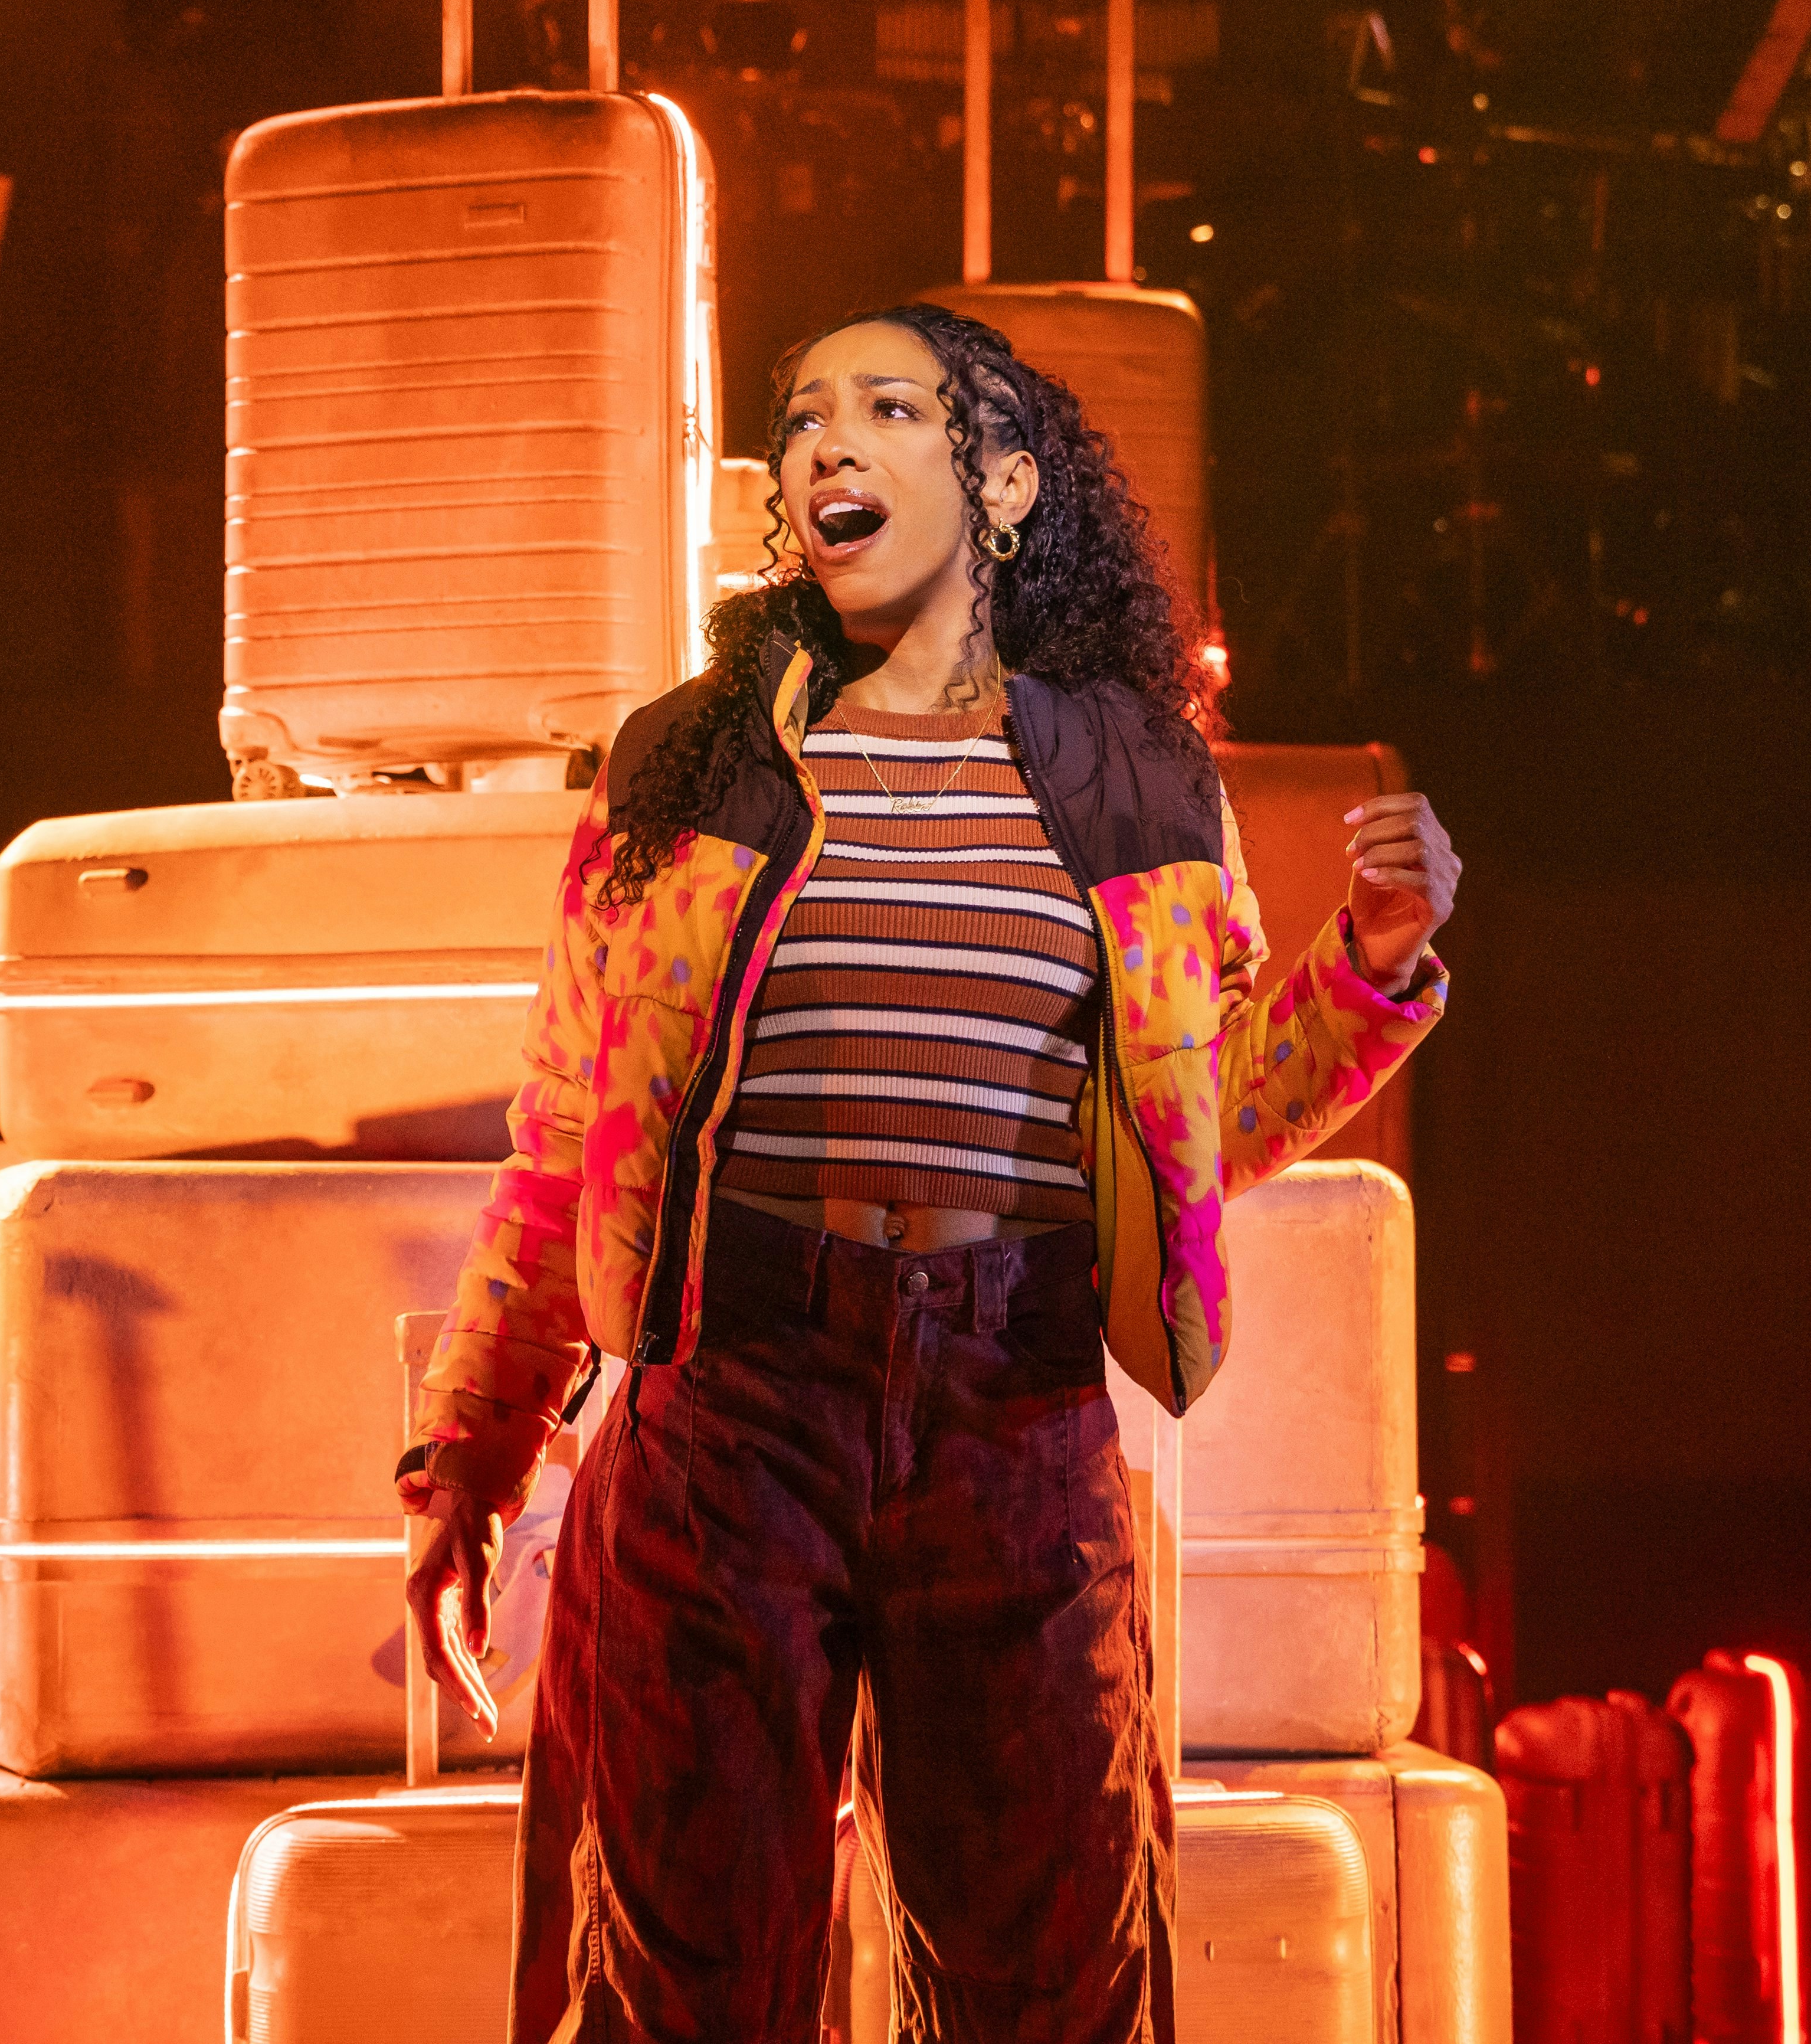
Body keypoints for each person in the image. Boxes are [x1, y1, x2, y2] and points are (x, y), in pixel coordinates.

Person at [400, 301, 1462, 2040]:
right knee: (684, 1993)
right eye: (806, 413)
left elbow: (1205, 1119)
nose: (830, 442)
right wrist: (474, 1433)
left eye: (890, 409)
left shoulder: (1135, 776)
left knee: (1048, 1990)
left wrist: (1374, 960)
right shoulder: (682, 759)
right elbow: (567, 1125)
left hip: (1016, 1410)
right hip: (729, 1407)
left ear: (1008, 483)